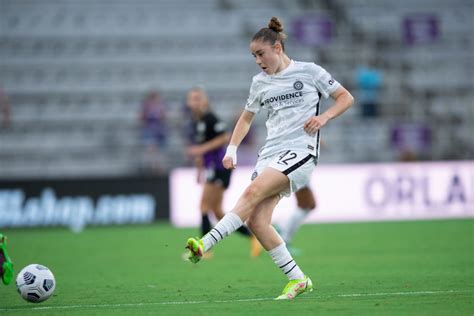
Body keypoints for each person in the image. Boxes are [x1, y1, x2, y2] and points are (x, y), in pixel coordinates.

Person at [185, 17, 354, 300]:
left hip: (300, 152)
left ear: (277, 48)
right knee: (257, 222)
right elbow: (246, 117)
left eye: (261, 54)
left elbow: (345, 97)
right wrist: (232, 148)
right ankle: (298, 280)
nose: (257, 60)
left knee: (251, 192)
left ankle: (205, 243)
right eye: (253, 56)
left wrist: (323, 117)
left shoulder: (310, 72)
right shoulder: (260, 83)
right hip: (270, 154)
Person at [185, 87, 262, 258]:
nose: (195, 102)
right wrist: (199, 169)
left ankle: (204, 250)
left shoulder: (210, 118)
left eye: (198, 98)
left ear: (204, 101)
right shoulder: (196, 122)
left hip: (219, 167)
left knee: (204, 206)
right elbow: (201, 150)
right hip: (211, 167)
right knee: (218, 211)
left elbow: (223, 138)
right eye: (192, 99)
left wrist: (200, 149)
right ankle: (253, 237)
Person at [140, 90, 167, 174]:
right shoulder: (146, 106)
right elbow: (142, 118)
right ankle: (151, 168)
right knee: (151, 150)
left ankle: (158, 168)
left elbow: (164, 118)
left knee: (159, 151)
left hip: (159, 132)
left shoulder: (160, 106)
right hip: (150, 131)